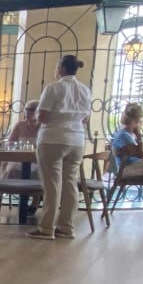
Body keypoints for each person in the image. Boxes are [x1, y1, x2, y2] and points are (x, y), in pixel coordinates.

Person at [31, 55, 92, 239]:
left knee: (52, 185)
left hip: (53, 139)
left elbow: (43, 117)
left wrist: (37, 118)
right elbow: (85, 118)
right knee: (70, 184)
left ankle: (46, 227)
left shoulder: (54, 88)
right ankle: (66, 226)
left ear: (61, 69)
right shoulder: (85, 90)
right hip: (77, 140)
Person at [110, 102, 143, 175]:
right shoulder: (123, 135)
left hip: (135, 168)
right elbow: (141, 153)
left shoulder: (130, 135)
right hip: (127, 171)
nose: (142, 124)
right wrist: (139, 136)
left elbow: (142, 153)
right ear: (134, 121)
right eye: (141, 121)